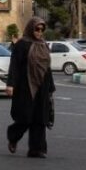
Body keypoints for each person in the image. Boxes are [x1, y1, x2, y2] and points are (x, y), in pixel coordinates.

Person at [5, 18, 55, 158]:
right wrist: (10, 84)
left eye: (42, 30)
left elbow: (47, 68)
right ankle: (13, 137)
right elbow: (14, 65)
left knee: (40, 118)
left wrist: (51, 88)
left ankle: (37, 149)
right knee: (25, 117)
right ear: (30, 29)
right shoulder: (21, 45)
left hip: (42, 86)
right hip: (25, 86)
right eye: (36, 29)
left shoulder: (44, 45)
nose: (39, 32)